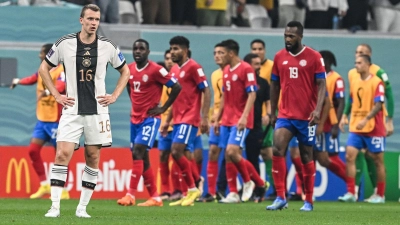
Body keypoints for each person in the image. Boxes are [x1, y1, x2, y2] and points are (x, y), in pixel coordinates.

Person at [39, 4, 130, 218]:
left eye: (97, 20)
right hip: (72, 109)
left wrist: (115, 95)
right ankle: (54, 207)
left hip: (98, 110)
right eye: (89, 19)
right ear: (81, 20)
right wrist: (56, 95)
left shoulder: (108, 46)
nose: (93, 23)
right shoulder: (65, 43)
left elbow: (125, 71)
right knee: (62, 154)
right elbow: (44, 68)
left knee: (93, 156)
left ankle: (82, 208)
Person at [266, 21, 326, 212]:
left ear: (300, 37)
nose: (287, 39)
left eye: (291, 36)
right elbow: (274, 85)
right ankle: (280, 197)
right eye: (285, 35)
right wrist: (272, 110)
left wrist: (317, 110)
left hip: (306, 116)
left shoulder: (314, 57)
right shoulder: (279, 57)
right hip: (285, 114)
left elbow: (322, 84)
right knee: (277, 149)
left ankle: (308, 200)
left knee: (306, 155)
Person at [117, 39, 181, 207]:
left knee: (138, 151)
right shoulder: (128, 69)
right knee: (142, 158)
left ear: (148, 52)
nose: (138, 51)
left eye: (142, 49)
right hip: (135, 119)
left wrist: (163, 108)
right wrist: (134, 104)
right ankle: (155, 197)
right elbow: (129, 86)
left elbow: (176, 87)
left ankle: (130, 195)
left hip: (150, 119)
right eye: (135, 48)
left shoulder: (156, 70)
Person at [10, 44, 69, 200]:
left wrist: (47, 91)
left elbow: (61, 86)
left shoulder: (61, 70)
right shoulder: (43, 69)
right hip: (42, 121)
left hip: (56, 120)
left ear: (48, 54)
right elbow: (32, 79)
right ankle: (44, 185)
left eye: (41, 53)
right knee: (33, 151)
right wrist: (18, 81)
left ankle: (62, 190)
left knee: (61, 154)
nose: (39, 55)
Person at [161, 36, 211, 206]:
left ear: (185, 50)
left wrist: (204, 117)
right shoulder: (174, 70)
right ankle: (194, 185)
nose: (172, 52)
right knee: (185, 155)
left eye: (176, 49)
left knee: (176, 151)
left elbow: (206, 90)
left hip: (190, 118)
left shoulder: (195, 67)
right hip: (178, 119)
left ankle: (192, 189)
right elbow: (175, 99)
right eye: (171, 49)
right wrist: (167, 120)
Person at [343, 44, 394, 201]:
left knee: (377, 159)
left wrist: (389, 119)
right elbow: (352, 98)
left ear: (368, 61)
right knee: (350, 155)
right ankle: (351, 192)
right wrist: (345, 114)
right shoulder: (353, 76)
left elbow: (384, 100)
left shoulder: (378, 77)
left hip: (374, 125)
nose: (356, 63)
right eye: (356, 55)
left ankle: (380, 194)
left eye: (360, 59)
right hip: (357, 124)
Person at [214, 39, 257, 203]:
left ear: (231, 53)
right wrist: (218, 118)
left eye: (222, 53)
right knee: (228, 155)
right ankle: (233, 193)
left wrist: (244, 116)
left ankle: (248, 181)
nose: (219, 56)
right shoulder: (226, 70)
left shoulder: (246, 69)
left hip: (240, 119)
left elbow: (252, 94)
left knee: (232, 151)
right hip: (227, 119)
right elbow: (225, 94)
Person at [198, 43, 226, 202]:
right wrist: (209, 118)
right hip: (217, 119)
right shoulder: (215, 74)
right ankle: (212, 192)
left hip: (231, 120)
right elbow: (216, 100)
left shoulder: (234, 73)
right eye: (215, 52)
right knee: (213, 152)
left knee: (232, 155)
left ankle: (252, 184)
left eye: (221, 52)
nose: (217, 55)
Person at [314, 50, 346, 182]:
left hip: (329, 122)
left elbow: (341, 102)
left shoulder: (336, 79)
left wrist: (336, 124)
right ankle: (304, 191)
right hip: (317, 121)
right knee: (311, 156)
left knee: (328, 158)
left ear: (328, 62)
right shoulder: (316, 76)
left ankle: (351, 182)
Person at [243, 53, 271, 202]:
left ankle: (257, 189)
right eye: (255, 64)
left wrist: (268, 114)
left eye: (260, 64)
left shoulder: (263, 83)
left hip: (256, 126)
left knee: (253, 158)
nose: (259, 67)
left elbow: (268, 101)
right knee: (235, 156)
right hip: (240, 124)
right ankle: (252, 185)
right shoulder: (242, 80)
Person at [250, 39, 275, 198]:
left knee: (268, 153)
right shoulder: (248, 68)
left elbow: (272, 92)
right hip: (251, 118)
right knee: (253, 154)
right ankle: (257, 187)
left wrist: (269, 113)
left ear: (264, 50)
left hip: (266, 117)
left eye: (260, 48)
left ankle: (276, 188)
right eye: (254, 49)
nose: (257, 51)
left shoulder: (272, 67)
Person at [158, 50, 183, 201]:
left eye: (171, 59)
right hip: (163, 123)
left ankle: (180, 189)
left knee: (178, 155)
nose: (169, 61)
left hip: (177, 122)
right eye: (166, 58)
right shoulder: (160, 79)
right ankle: (166, 190)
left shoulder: (179, 80)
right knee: (162, 155)